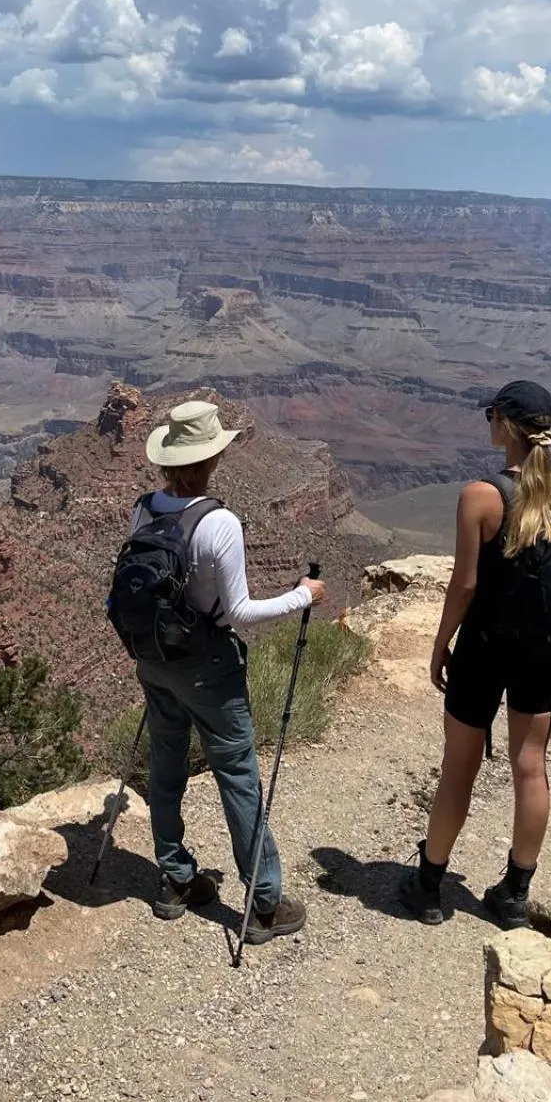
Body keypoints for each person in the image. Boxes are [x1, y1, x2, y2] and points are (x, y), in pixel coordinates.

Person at [128, 399, 325, 943]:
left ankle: (175, 879)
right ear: (212, 457)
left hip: (153, 662)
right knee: (237, 774)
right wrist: (299, 597)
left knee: (165, 769)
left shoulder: (144, 509)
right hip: (207, 669)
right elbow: (239, 613)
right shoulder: (218, 523)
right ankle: (264, 904)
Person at [399, 380, 551, 930]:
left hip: (484, 650)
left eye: (490, 415)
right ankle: (514, 892)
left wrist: (439, 645)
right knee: (531, 766)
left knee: (458, 766)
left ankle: (430, 886)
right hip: (544, 653)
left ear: (505, 425)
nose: (487, 423)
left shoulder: (481, 496)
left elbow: (463, 586)